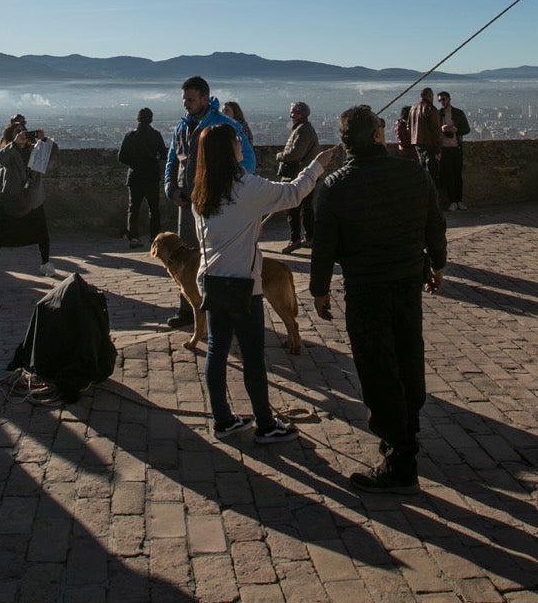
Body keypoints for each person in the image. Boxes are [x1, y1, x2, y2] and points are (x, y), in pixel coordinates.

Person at [310, 105, 446, 495]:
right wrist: (438, 265)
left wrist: (319, 289)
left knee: (377, 368)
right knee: (407, 356)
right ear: (376, 137)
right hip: (407, 281)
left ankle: (400, 460)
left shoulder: (336, 186)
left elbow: (324, 245)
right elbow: (433, 222)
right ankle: (410, 429)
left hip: (366, 287)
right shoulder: (412, 172)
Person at [191, 124, 336, 442]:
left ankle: (222, 420)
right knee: (253, 355)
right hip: (242, 284)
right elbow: (293, 193)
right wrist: (317, 165)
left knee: (217, 350)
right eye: (236, 142)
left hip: (212, 281)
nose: (241, 145)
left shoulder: (201, 190)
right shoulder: (245, 187)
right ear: (228, 151)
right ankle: (266, 424)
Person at [162, 77, 254, 329]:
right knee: (185, 259)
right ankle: (188, 310)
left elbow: (248, 161)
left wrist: (224, 189)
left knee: (214, 257)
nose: (186, 105)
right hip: (186, 203)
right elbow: (172, 159)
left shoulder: (225, 126)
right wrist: (171, 188)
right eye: (184, 101)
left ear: (205, 98)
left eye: (190, 100)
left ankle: (220, 310)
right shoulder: (181, 127)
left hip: (215, 203)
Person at [0, 121, 56, 288]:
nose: (22, 134)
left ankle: (45, 263)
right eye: (17, 132)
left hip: (33, 199)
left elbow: (53, 151)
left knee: (42, 232)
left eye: (24, 132)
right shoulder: (11, 151)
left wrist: (44, 140)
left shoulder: (35, 149)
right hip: (13, 199)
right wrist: (14, 144)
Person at [117, 107, 167, 249]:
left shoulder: (130, 136)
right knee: (154, 209)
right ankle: (155, 238)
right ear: (151, 119)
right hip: (151, 176)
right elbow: (164, 154)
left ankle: (134, 237)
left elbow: (121, 157)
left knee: (134, 209)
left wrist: (134, 163)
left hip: (135, 177)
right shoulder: (156, 135)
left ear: (138, 118)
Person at [276, 101, 320, 253]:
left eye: (294, 112)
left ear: (302, 114)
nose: (291, 115)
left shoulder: (303, 130)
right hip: (305, 173)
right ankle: (309, 238)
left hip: (300, 174)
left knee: (294, 208)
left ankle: (296, 239)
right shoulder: (303, 128)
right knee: (305, 208)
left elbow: (296, 154)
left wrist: (280, 156)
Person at [434, 90, 471, 212]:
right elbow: (434, 132)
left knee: (457, 175)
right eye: (439, 100)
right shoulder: (438, 114)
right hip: (444, 149)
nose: (441, 102)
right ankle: (452, 201)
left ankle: (459, 200)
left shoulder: (458, 113)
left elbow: (467, 129)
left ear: (449, 99)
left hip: (456, 147)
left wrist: (456, 130)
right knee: (448, 175)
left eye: (443, 99)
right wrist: (442, 129)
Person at [408, 88, 445, 207]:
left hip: (417, 144)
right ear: (430, 96)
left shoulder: (413, 108)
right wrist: (439, 149)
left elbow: (408, 127)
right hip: (430, 145)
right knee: (432, 175)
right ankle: (432, 204)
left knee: (422, 173)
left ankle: (423, 202)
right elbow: (436, 130)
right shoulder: (430, 109)